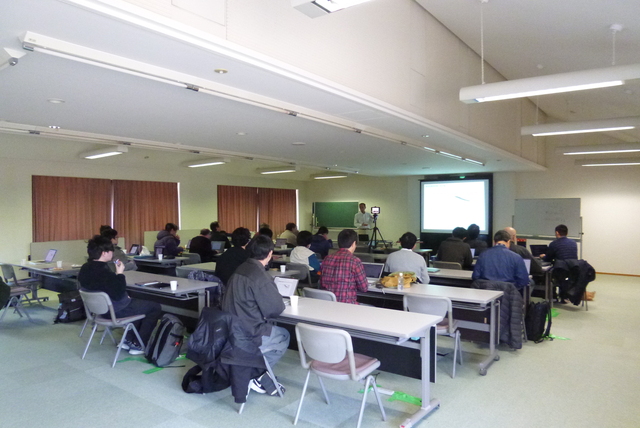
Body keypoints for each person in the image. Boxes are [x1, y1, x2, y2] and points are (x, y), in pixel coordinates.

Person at [221, 234, 289, 395]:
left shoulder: (240, 269)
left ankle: (253, 370)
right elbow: (275, 310)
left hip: (230, 328)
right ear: (270, 253)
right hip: (249, 332)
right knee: (283, 336)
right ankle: (256, 374)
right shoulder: (260, 276)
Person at [78, 235, 162, 354]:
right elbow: (118, 293)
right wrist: (120, 273)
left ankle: (127, 340)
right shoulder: (104, 272)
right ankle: (138, 345)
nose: (112, 253)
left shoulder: (85, 268)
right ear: (104, 253)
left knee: (136, 304)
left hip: (98, 311)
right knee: (155, 307)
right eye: (111, 250)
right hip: (114, 311)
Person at [320, 229, 368, 304]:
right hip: (347, 306)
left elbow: (321, 283)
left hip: (328, 305)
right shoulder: (355, 261)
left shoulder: (327, 259)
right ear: (354, 243)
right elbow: (364, 288)